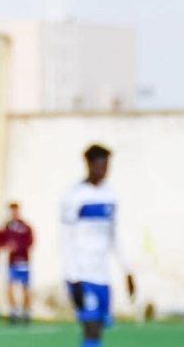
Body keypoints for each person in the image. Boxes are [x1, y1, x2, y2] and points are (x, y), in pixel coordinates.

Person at [61, 144, 135, 347]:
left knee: (99, 329)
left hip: (102, 275)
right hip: (82, 275)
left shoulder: (110, 195)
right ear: (90, 164)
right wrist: (73, 277)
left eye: (107, 165)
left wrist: (127, 269)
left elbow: (114, 235)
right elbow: (66, 238)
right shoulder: (75, 196)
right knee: (91, 327)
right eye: (101, 165)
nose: (104, 169)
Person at [2, 202, 33, 325]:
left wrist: (18, 247)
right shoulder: (8, 226)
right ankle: (14, 312)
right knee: (10, 286)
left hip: (24, 261)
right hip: (12, 262)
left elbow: (30, 242)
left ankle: (26, 312)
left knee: (25, 287)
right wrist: (7, 246)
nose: (14, 213)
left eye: (15, 210)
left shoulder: (25, 226)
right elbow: (1, 241)